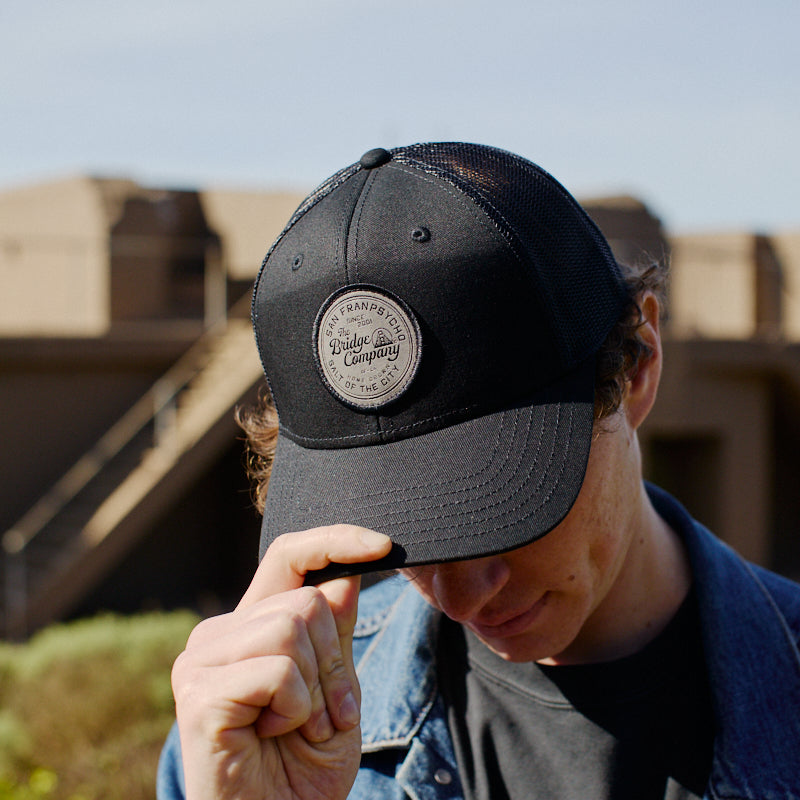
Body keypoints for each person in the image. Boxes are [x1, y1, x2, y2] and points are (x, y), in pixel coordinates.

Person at [158, 143, 800, 800]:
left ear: (637, 365)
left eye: (501, 511)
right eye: (400, 534)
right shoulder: (252, 735)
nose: (460, 597)